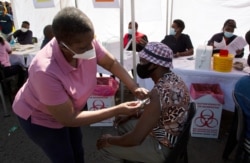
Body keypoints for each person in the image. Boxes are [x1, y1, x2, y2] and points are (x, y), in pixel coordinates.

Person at [12, 7, 148, 163]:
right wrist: (117, 109)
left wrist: (134, 87)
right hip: (41, 118)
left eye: (92, 41)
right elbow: (69, 118)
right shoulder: (45, 71)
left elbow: (111, 63)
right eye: (84, 47)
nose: (91, 49)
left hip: (70, 110)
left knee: (77, 150)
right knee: (64, 157)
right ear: (63, 45)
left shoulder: (84, 40)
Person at [97, 42, 191, 162]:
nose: (140, 65)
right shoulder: (173, 79)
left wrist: (109, 140)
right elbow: (161, 112)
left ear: (155, 65)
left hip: (163, 147)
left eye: (143, 61)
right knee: (124, 124)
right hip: (171, 136)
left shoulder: (160, 92)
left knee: (106, 147)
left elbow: (135, 139)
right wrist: (133, 113)